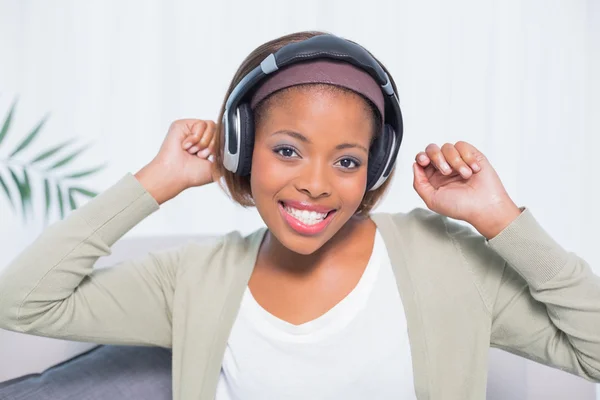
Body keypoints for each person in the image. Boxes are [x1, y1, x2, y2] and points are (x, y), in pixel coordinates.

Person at [0, 30, 599, 400]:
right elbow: (22, 302)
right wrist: (156, 182)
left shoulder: (446, 260)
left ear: (375, 166)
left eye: (346, 160)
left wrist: (501, 220)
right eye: (287, 150)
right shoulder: (193, 279)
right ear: (241, 146)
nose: (314, 184)